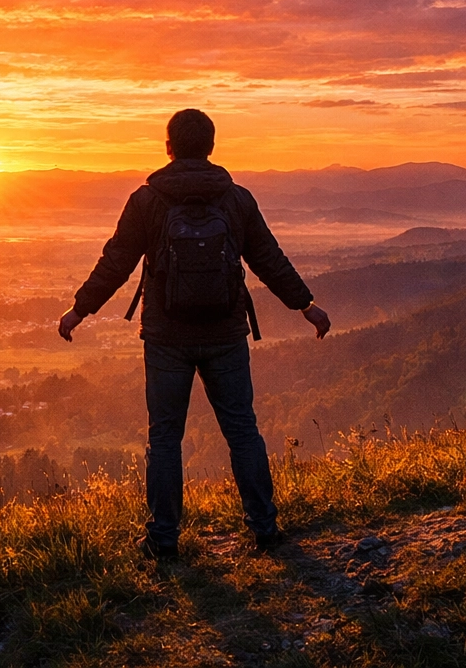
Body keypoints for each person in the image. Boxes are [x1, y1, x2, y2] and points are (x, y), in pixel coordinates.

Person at [57, 109, 331, 558]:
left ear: (168, 147)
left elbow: (116, 262)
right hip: (226, 333)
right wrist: (305, 305)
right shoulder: (236, 199)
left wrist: (79, 310)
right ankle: (265, 529)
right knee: (242, 430)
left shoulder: (147, 200)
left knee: (165, 437)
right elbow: (268, 258)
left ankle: (163, 540)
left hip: (166, 336)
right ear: (211, 146)